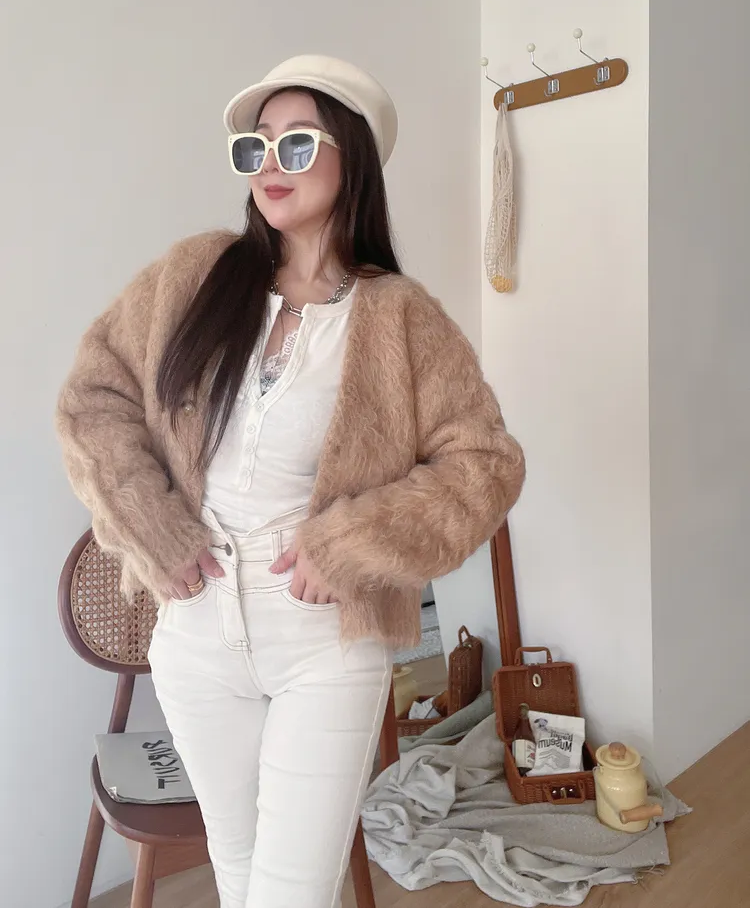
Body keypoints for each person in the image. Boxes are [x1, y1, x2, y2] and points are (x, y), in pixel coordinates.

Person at [57, 55, 525, 908]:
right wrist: (153, 526)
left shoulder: (401, 316)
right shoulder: (195, 274)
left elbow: (485, 465)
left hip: (324, 633)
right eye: (257, 145)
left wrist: (353, 543)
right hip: (196, 626)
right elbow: (92, 397)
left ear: (353, 156)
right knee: (238, 873)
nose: (270, 163)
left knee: (291, 894)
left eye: (298, 143)